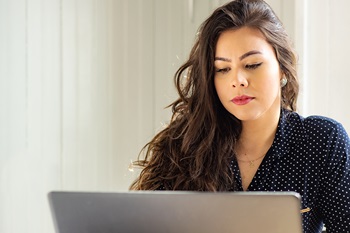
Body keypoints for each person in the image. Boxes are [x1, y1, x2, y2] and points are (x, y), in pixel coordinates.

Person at [129, 0, 350, 232]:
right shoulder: (182, 145)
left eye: (252, 64)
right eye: (223, 69)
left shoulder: (321, 141)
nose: (238, 80)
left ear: (282, 67)